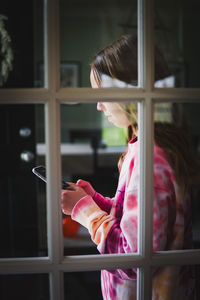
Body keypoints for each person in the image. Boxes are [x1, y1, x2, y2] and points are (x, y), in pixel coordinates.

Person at [61, 34, 197, 300]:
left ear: (130, 91)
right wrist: (97, 202)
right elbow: (139, 221)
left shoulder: (150, 158)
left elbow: (131, 258)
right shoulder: (148, 147)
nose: (99, 106)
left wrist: (85, 211)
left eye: (103, 95)